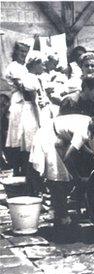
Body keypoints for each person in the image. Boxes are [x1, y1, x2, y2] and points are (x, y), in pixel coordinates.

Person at [29, 113, 94, 229]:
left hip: (58, 136)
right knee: (58, 179)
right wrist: (77, 178)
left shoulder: (89, 123)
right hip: (47, 136)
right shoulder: (82, 132)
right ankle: (62, 217)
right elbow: (68, 157)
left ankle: (59, 213)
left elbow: (78, 144)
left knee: (62, 179)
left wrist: (93, 154)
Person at [3, 41, 31, 175]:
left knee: (25, 135)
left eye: (25, 52)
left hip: (26, 102)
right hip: (19, 101)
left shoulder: (24, 68)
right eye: (21, 52)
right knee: (17, 136)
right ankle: (16, 169)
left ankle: (24, 168)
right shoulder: (13, 67)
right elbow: (22, 86)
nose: (23, 54)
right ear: (15, 52)